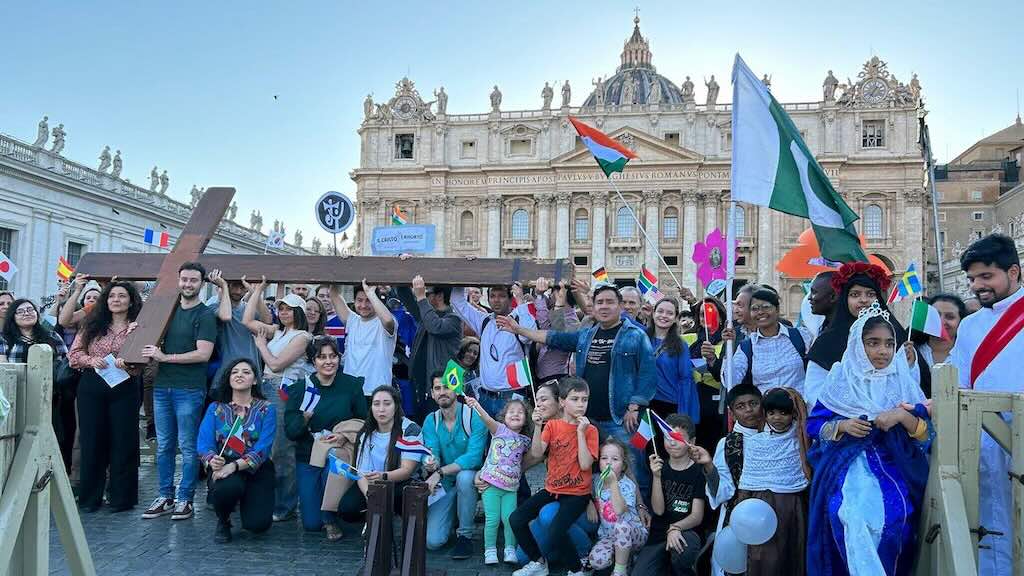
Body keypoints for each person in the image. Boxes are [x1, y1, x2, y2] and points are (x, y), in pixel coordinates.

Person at [497, 283, 657, 498]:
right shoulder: (586, 335)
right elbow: (552, 337)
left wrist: (635, 406)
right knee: (591, 470)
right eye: (600, 302)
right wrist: (518, 329)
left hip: (620, 418)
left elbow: (647, 373)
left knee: (631, 470)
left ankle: (639, 515)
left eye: (610, 302)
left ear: (620, 306)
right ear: (594, 306)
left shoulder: (636, 336)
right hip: (588, 419)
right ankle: (602, 519)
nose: (604, 306)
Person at [806, 305, 930, 575]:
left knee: (896, 518)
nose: (882, 351)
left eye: (888, 344)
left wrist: (900, 416)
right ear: (857, 345)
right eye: (873, 343)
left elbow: (924, 433)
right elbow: (815, 425)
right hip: (847, 466)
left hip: (896, 465)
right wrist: (842, 425)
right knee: (851, 516)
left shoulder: (902, 381)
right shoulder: (841, 379)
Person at [949, 233, 1023, 575]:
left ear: (1013, 272)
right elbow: (959, 381)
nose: (978, 286)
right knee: (990, 519)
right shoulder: (970, 326)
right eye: (972, 279)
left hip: (1020, 434)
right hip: (982, 437)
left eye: (986, 276)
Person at [140, 261, 217, 521]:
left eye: (193, 280)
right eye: (184, 279)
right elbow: (146, 333)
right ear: (178, 280)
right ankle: (165, 496)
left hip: (189, 389)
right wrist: (135, 333)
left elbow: (203, 353)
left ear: (202, 283)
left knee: (187, 446)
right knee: (164, 446)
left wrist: (165, 357)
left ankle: (186, 499)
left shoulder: (205, 315)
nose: (188, 284)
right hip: (162, 387)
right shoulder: (168, 311)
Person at [511, 377, 599, 576]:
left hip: (577, 493)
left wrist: (580, 433)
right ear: (562, 402)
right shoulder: (552, 426)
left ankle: (577, 570)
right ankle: (539, 563)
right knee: (516, 519)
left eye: (584, 400)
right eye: (575, 399)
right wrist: (538, 427)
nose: (580, 404)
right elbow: (536, 452)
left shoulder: (590, 430)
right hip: (553, 489)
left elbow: (585, 464)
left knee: (556, 530)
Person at [68, 281, 143, 513]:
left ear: (131, 300)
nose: (116, 300)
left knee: (123, 441)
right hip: (93, 385)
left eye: (122, 296)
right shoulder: (92, 325)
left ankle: (122, 498)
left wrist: (129, 360)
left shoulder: (139, 326)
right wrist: (91, 360)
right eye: (112, 296)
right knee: (92, 440)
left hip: (125, 385)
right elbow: (74, 355)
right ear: (106, 300)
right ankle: (90, 498)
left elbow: (144, 358)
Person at [243, 277, 313, 523]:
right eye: (280, 308)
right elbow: (247, 320)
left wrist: (261, 345)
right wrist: (259, 290)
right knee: (265, 445)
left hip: (285, 391)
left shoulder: (303, 336)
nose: (282, 312)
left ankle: (286, 505)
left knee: (282, 449)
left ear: (298, 312)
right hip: (267, 387)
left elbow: (275, 363)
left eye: (288, 308)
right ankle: (271, 499)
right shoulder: (278, 331)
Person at [285, 337, 367, 536]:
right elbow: (291, 432)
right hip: (308, 456)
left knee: (334, 463)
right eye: (322, 357)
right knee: (311, 525)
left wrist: (345, 437)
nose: (328, 361)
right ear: (313, 361)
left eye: (333, 356)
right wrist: (304, 419)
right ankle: (323, 513)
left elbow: (365, 421)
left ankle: (332, 515)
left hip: (340, 453)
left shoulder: (351, 385)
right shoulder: (301, 389)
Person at [805, 262, 907, 408]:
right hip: (846, 421)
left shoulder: (895, 334)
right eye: (855, 294)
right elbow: (815, 391)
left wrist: (910, 363)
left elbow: (909, 385)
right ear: (845, 299)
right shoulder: (827, 342)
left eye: (870, 294)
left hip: (891, 419)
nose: (863, 300)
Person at [197, 359, 276, 543]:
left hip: (257, 468)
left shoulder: (267, 409)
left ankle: (250, 502)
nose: (240, 375)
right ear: (229, 378)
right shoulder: (215, 408)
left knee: (257, 525)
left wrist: (234, 466)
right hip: (224, 464)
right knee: (227, 488)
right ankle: (223, 520)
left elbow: (263, 448)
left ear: (255, 380)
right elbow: (203, 443)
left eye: (246, 372)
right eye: (235, 372)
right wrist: (212, 460)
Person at [422, 371, 488, 557]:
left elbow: (474, 457)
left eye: (447, 386)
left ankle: (465, 536)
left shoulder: (472, 415)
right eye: (437, 388)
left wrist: (440, 471)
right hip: (444, 484)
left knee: (464, 477)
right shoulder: (431, 420)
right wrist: (429, 462)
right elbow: (431, 451)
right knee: (433, 542)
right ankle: (452, 518)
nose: (442, 392)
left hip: (473, 480)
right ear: (432, 393)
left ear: (457, 388)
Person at [634, 414, 705, 576]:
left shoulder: (698, 472)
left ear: (691, 442)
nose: (672, 442)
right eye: (667, 437)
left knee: (682, 555)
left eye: (678, 438)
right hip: (659, 533)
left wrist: (676, 527)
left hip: (687, 531)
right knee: (640, 573)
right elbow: (658, 510)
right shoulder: (660, 467)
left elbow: (697, 516)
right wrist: (657, 477)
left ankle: (687, 568)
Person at [464, 395, 532, 565]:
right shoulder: (499, 430)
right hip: (491, 485)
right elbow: (486, 418)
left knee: (509, 519)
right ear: (504, 416)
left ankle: (510, 549)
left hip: (511, 488)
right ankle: (490, 550)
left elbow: (538, 448)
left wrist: (538, 423)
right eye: (511, 411)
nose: (515, 414)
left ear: (525, 419)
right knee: (492, 519)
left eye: (520, 412)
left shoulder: (525, 440)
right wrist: (476, 405)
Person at [451, 283, 537, 416]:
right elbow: (457, 302)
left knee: (512, 437)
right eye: (492, 296)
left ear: (510, 298)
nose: (496, 300)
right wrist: (466, 273)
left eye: (502, 296)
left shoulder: (519, 319)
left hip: (512, 398)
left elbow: (530, 335)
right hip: (485, 397)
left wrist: (520, 300)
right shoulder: (484, 321)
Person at [713, 289, 811, 397]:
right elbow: (731, 382)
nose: (760, 312)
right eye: (755, 308)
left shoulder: (801, 336)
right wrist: (729, 347)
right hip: (766, 411)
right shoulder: (747, 347)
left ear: (777, 309)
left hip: (799, 410)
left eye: (766, 307)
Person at [396, 275, 463, 418]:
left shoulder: (454, 319)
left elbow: (435, 326)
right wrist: (405, 267)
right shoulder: (426, 315)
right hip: (425, 385)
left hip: (448, 384)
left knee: (449, 425)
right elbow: (405, 297)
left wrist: (421, 298)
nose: (424, 296)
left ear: (439, 296)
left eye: (428, 294)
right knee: (426, 425)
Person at [586, 437, 648, 576]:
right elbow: (584, 489)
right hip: (609, 535)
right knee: (597, 561)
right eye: (604, 458)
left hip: (633, 533)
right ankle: (625, 558)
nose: (609, 462)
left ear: (623, 464)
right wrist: (589, 501)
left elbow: (620, 511)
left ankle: (620, 571)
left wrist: (613, 483)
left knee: (621, 527)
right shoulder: (596, 480)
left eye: (615, 459)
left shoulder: (627, 485)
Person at [329, 281, 396, 398]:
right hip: (350, 392)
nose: (363, 305)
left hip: (377, 393)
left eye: (368, 300)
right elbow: (334, 294)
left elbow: (388, 321)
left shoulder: (383, 322)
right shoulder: (352, 320)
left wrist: (371, 293)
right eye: (359, 300)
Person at [205, 270, 264, 393]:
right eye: (234, 286)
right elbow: (226, 316)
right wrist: (224, 286)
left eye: (241, 287)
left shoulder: (249, 309)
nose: (238, 291)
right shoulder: (213, 307)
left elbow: (267, 320)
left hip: (251, 374)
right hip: (225, 376)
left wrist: (255, 292)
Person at [646, 297, 698, 423]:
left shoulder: (680, 345)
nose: (664, 316)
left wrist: (683, 414)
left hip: (669, 404)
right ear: (653, 313)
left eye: (670, 313)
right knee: (645, 443)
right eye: (660, 311)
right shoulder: (641, 337)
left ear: (675, 318)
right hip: (644, 403)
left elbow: (685, 379)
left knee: (666, 442)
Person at [913, 293, 966, 397]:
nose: (941, 321)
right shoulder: (913, 351)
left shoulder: (968, 354)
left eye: (950, 317)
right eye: (935, 315)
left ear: (961, 321)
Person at [531, 278, 580, 383]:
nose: (550, 295)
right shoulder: (558, 312)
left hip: (556, 376)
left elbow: (549, 333)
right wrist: (539, 296)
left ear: (560, 293)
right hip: (544, 374)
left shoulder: (571, 320)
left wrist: (540, 296)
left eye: (552, 291)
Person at [315, 285, 346, 354]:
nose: (325, 299)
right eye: (321, 296)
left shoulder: (344, 320)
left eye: (328, 296)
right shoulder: (311, 319)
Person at [807, 271, 838, 337]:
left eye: (814, 292)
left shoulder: (843, 333)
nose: (809, 298)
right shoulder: (825, 327)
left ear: (833, 297)